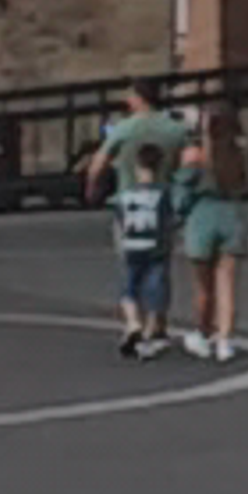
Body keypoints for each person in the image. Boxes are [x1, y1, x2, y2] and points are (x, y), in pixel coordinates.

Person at [91, 83, 186, 361]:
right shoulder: (175, 130)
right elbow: (189, 161)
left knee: (130, 268)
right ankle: (156, 326)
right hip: (162, 207)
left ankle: (133, 321)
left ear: (138, 99)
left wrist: (92, 188)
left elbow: (99, 162)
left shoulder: (125, 129)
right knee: (159, 269)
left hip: (128, 207)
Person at [175, 129, 248, 367]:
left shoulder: (195, 156)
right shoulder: (239, 155)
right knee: (228, 285)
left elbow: (180, 199)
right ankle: (225, 341)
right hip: (232, 217)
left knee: (203, 287)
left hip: (202, 218)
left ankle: (202, 334)